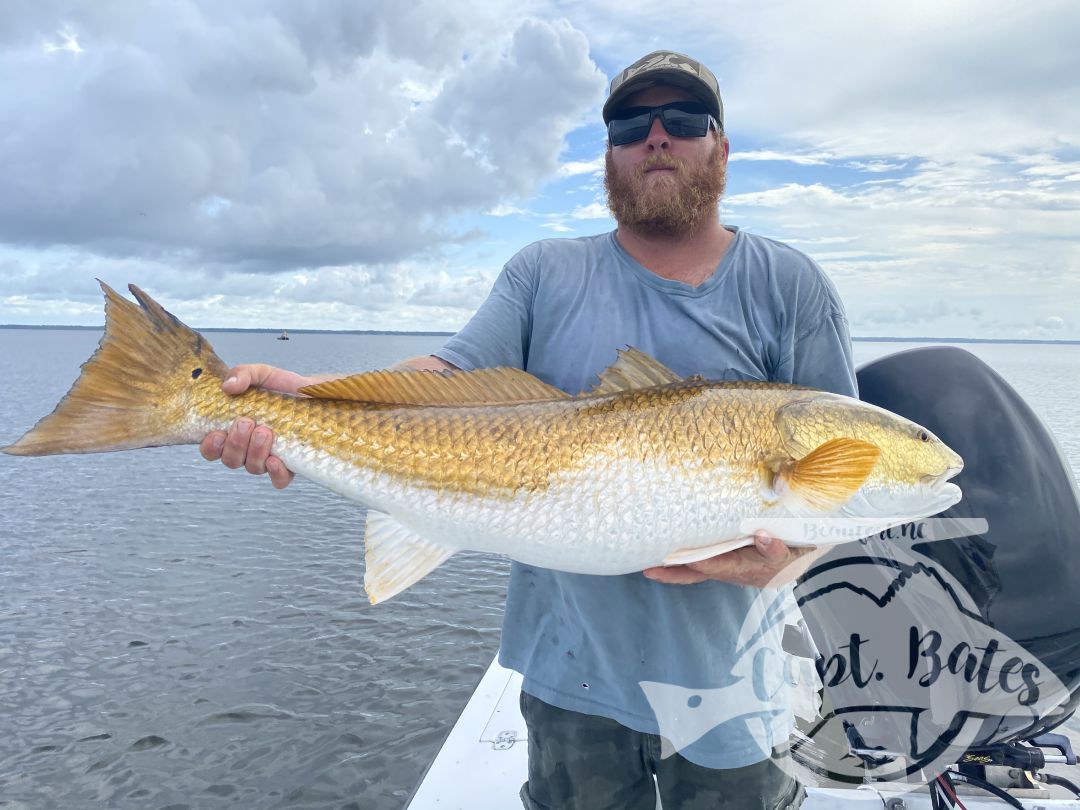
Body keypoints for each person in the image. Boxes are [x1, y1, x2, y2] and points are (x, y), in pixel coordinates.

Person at [201, 50, 856, 810]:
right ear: (607, 153)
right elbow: (441, 387)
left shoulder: (791, 286)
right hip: (571, 675)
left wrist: (782, 561)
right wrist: (303, 399)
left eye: (683, 120)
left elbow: (836, 493)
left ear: (722, 147)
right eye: (628, 124)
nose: (657, 138)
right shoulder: (543, 272)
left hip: (741, 686)